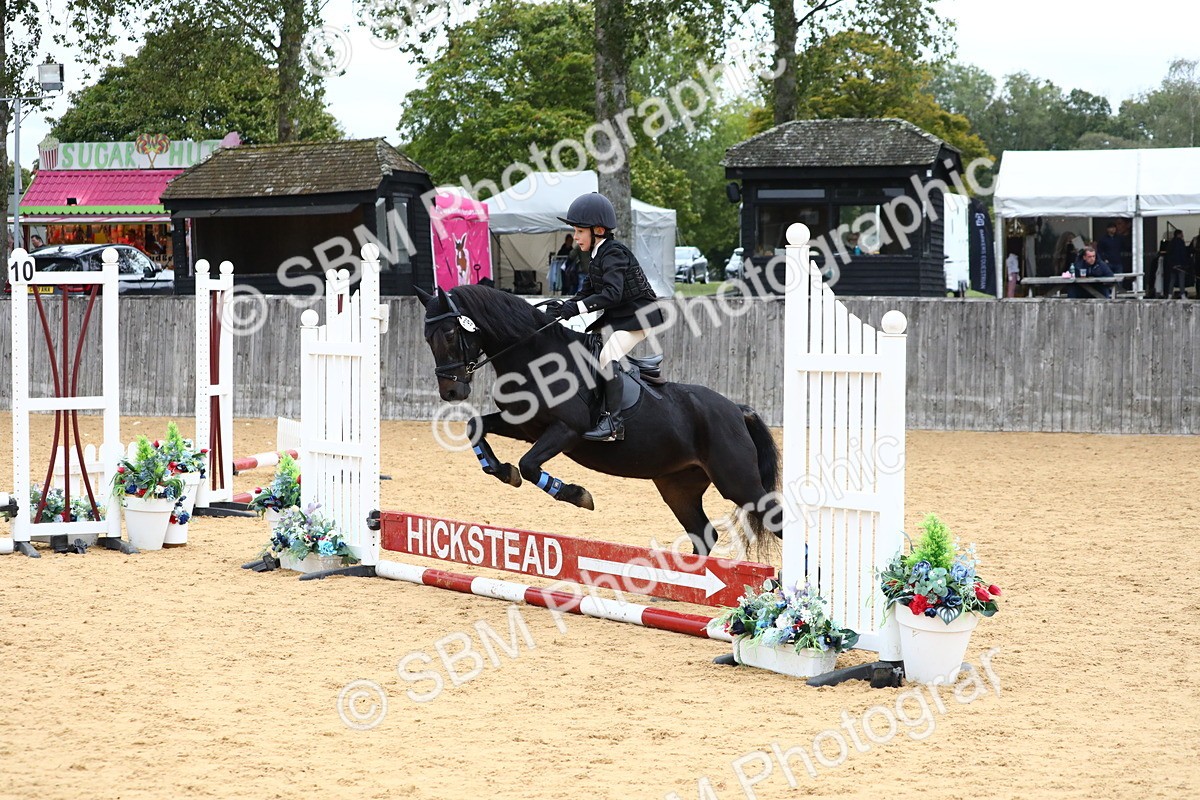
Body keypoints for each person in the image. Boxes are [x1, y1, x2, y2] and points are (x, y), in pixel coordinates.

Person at [545, 192, 663, 442]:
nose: (575, 237)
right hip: (623, 317)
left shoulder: (614, 253)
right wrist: (562, 308)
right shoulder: (598, 255)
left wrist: (574, 310)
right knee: (596, 351)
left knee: (608, 356)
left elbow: (611, 293)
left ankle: (614, 424)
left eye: (579, 231)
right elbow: (586, 292)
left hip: (639, 317)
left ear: (597, 230)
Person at [1165, 229, 1192, 299]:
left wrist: (1172, 264)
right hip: (1180, 265)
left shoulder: (1171, 243)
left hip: (1172, 265)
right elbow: (1183, 254)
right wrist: (1185, 264)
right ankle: (1182, 294)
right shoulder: (1181, 242)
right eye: (1182, 234)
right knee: (1181, 280)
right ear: (1179, 234)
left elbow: (1169, 254)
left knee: (1172, 280)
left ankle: (1169, 295)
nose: (1183, 235)